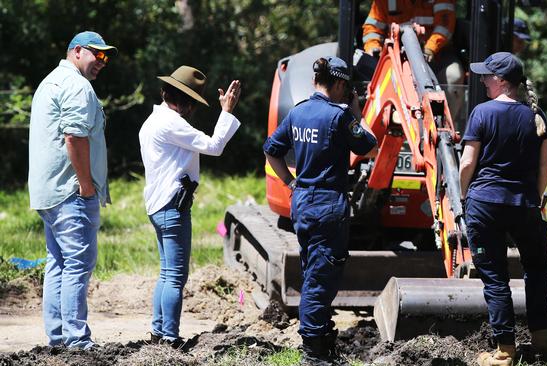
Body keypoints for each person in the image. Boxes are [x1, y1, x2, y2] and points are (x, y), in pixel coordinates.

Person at [263, 56, 377, 363]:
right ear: (339, 84)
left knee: (314, 271)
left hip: (303, 203)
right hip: (328, 205)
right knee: (320, 279)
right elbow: (368, 145)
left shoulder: (298, 112)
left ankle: (324, 344)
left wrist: (290, 182)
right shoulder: (338, 116)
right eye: (346, 88)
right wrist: (356, 113)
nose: (347, 94)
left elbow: (271, 150)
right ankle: (314, 354)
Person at [458, 52, 547, 366]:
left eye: (487, 76)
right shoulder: (536, 115)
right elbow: (545, 168)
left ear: (502, 80)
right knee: (536, 268)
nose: (482, 80)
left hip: (485, 204)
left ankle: (505, 350)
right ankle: (541, 334)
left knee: (495, 278)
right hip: (524, 204)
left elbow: (467, 163)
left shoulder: (482, 113)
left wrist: (465, 198)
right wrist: (533, 196)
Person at [138, 66, 241, 347]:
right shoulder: (172, 123)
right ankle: (170, 338)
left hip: (158, 205)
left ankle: (159, 333)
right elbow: (214, 145)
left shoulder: (153, 119)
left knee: (166, 272)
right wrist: (227, 111)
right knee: (175, 277)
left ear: (165, 91)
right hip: (173, 206)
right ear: (189, 102)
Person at [28, 31, 117, 350]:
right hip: (71, 192)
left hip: (48, 191)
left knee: (58, 262)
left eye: (107, 57)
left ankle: (58, 336)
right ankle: (77, 340)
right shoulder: (78, 86)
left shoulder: (49, 82)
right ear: (77, 51)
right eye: (98, 54)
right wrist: (86, 185)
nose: (103, 62)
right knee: (78, 263)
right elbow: (74, 137)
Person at [362, 0, 464, 116]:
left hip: (435, 57)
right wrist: (373, 47)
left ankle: (447, 125)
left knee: (454, 75)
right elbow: (372, 27)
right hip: (395, 59)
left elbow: (445, 24)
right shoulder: (384, 2)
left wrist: (430, 48)